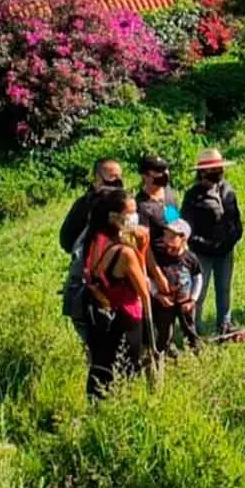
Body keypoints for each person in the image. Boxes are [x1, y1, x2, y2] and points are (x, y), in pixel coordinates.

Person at [79, 189, 156, 399]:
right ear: (114, 216)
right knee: (125, 371)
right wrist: (142, 247)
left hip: (103, 313)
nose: (134, 216)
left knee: (102, 365)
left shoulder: (96, 238)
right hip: (128, 315)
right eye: (130, 212)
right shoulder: (125, 252)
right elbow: (143, 288)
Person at [181, 149, 242, 337]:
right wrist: (205, 244)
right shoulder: (193, 196)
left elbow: (235, 219)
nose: (219, 171)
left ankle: (225, 324)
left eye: (219, 168)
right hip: (202, 254)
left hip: (225, 251)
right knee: (199, 292)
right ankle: (195, 330)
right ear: (203, 172)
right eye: (214, 169)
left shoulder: (227, 190)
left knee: (224, 288)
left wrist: (233, 237)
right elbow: (187, 228)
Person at [149, 218, 203, 357]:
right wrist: (157, 295)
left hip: (185, 303)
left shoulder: (190, 258)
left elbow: (198, 278)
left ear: (183, 239)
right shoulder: (160, 258)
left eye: (172, 237)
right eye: (166, 236)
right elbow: (151, 280)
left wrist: (193, 300)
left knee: (189, 328)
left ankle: (196, 350)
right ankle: (162, 354)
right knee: (164, 331)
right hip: (165, 303)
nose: (167, 241)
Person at [60, 157, 123, 254]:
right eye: (113, 177)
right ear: (97, 178)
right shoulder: (83, 205)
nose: (118, 182)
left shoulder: (125, 203)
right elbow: (66, 240)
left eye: (119, 177)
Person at [133, 155, 178, 234]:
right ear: (145, 176)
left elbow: (174, 220)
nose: (164, 174)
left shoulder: (167, 189)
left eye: (164, 170)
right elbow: (144, 238)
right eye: (158, 172)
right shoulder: (142, 205)